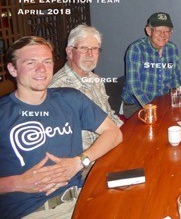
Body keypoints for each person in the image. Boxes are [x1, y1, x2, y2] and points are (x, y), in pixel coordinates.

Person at [0, 36, 122, 218]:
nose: (41, 69)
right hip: (32, 212)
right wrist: (17, 183)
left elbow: (114, 133)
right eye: (31, 63)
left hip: (82, 199)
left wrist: (79, 162)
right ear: (13, 69)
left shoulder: (70, 98)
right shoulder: (3, 113)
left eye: (47, 62)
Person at [50, 24, 123, 151]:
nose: (90, 54)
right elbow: (64, 143)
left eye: (95, 49)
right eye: (83, 48)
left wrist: (124, 133)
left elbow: (109, 114)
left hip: (110, 145)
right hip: (89, 160)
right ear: (69, 52)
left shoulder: (96, 79)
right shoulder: (57, 89)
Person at [121, 12, 181, 118]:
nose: (163, 35)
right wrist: (152, 108)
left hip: (162, 103)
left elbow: (175, 79)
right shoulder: (136, 49)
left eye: (167, 31)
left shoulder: (172, 49)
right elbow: (133, 86)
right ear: (149, 31)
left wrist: (178, 99)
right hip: (136, 106)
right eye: (158, 31)